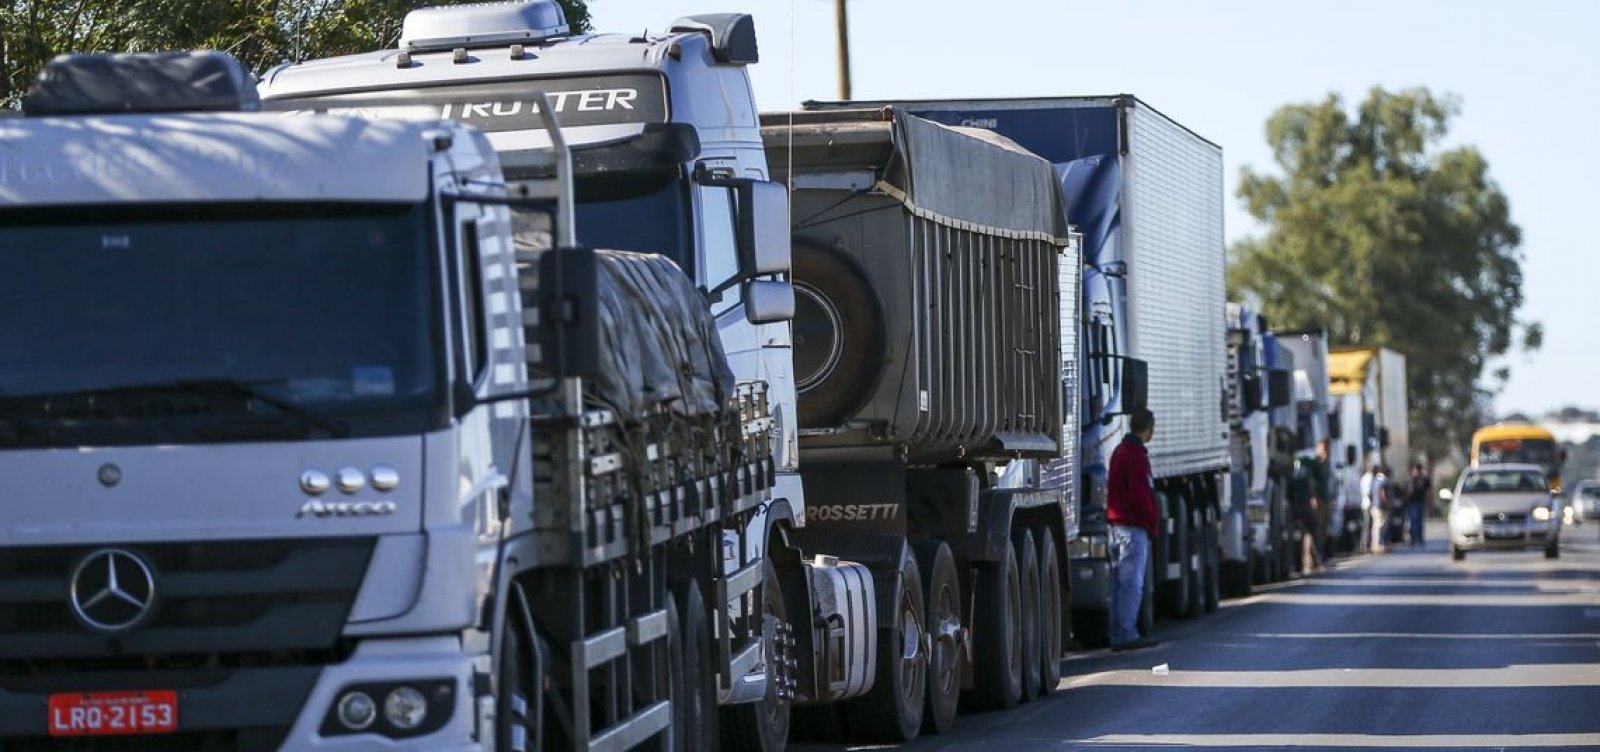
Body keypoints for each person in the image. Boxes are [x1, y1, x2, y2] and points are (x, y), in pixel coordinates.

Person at [1108, 408, 1160, 651]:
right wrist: (1152, 518)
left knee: (1119, 584)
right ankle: (1126, 633)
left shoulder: (1119, 451)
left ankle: (1118, 631)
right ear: (1146, 428)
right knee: (1132, 583)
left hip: (1117, 526)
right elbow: (1140, 494)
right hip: (1133, 527)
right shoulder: (1136, 454)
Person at [1288, 451, 1325, 574]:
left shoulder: (1294, 473)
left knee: (1294, 536)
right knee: (1312, 531)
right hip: (1304, 506)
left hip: (1293, 507)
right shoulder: (1308, 473)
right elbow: (1312, 489)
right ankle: (1316, 561)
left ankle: (1298, 564)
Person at [1405, 464, 1430, 548]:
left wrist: (1428, 503)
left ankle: (1419, 538)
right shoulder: (1410, 480)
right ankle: (1413, 539)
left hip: (1420, 502)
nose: (1417, 473)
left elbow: (1427, 492)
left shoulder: (1424, 480)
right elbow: (1407, 491)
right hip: (1412, 503)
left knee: (1419, 522)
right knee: (1413, 522)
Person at [1370, 465, 1391, 553]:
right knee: (1380, 526)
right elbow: (1383, 493)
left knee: (1376, 526)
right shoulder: (1383, 481)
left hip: (1374, 506)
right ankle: (1378, 545)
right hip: (1381, 507)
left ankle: (1375, 545)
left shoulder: (1375, 480)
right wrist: (1387, 504)